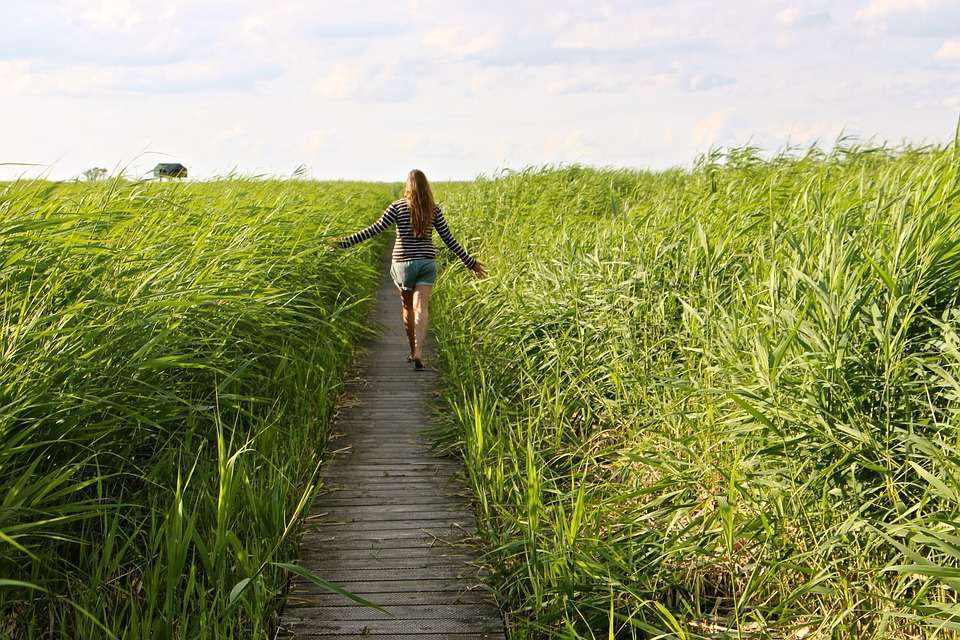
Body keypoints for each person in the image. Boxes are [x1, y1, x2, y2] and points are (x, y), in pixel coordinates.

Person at [338, 169, 486, 370]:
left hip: (403, 264)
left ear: (407, 186)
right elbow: (449, 240)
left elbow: (373, 230)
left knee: (407, 307)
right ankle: (418, 350)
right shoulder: (434, 210)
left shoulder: (397, 207)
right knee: (422, 307)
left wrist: (342, 243)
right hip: (426, 263)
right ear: (426, 186)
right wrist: (471, 263)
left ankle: (411, 349)